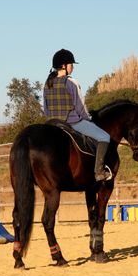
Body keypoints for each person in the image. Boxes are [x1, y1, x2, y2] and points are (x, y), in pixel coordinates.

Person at [43, 48, 112, 181]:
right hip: (72, 122)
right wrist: (89, 120)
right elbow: (80, 108)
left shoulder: (47, 84)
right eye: (71, 64)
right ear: (64, 66)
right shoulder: (71, 82)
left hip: (51, 123)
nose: (73, 67)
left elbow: (46, 109)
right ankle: (99, 171)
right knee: (104, 137)